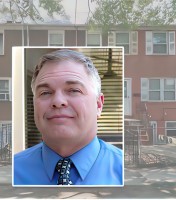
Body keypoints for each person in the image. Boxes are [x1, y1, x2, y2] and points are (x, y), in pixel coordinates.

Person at [14, 48, 123, 186]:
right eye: (45, 92)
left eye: (74, 90)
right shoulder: (13, 171)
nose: (58, 101)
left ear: (98, 105)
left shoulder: (124, 171)